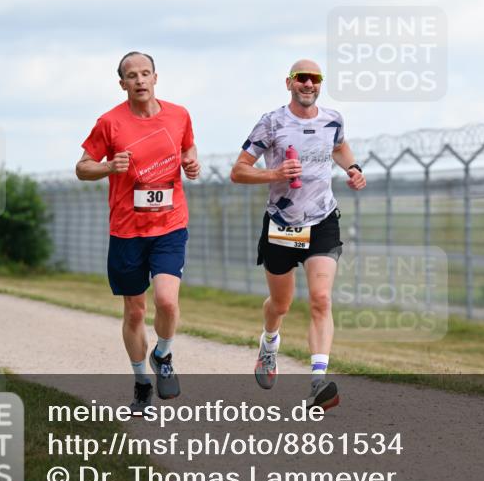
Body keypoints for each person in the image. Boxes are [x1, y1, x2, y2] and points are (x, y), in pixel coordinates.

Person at [230, 58, 366, 410]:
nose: (309, 84)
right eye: (302, 78)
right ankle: (270, 342)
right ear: (289, 83)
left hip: (322, 220)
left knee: (321, 299)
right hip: (282, 221)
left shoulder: (332, 118)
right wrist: (274, 174)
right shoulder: (272, 122)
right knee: (281, 304)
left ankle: (317, 383)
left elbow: (338, 146)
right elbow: (239, 171)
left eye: (315, 79)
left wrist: (352, 168)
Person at [76, 51, 200, 412]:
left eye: (146, 73)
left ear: (156, 78)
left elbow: (188, 147)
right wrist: (108, 167)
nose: (140, 80)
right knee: (134, 312)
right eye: (132, 76)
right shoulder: (109, 123)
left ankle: (162, 354)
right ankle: (141, 382)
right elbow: (82, 168)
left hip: (169, 224)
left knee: (167, 300)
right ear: (123, 84)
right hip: (127, 229)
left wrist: (192, 161)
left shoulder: (179, 115)